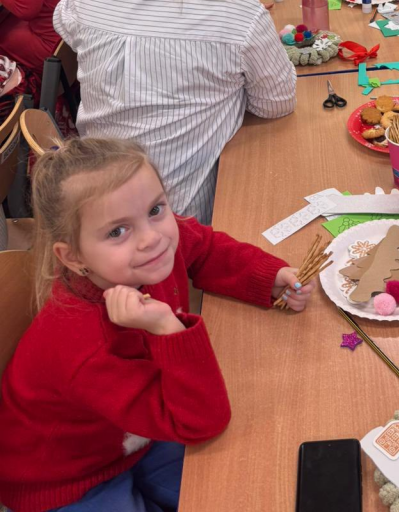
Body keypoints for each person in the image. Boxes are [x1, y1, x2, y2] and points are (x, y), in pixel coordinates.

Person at [0, 137, 314, 512]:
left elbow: (205, 249)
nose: (152, 238)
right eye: (118, 231)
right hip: (67, 477)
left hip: (137, 431)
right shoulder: (85, 346)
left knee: (251, 481)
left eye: (155, 209)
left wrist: (269, 275)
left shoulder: (146, 250)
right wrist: (168, 328)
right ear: (74, 257)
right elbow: (202, 420)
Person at [54, 0, 296, 224]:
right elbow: (276, 104)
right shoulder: (237, 8)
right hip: (180, 220)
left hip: (95, 207)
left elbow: (64, 24)